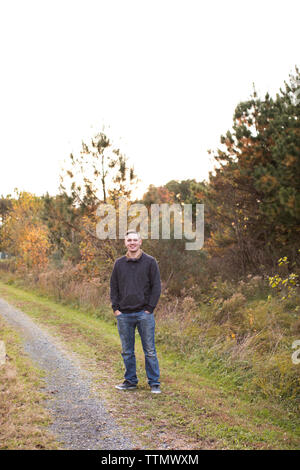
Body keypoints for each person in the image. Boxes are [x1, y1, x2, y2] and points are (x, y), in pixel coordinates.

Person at [110, 230, 161, 394]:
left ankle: (154, 383)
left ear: (140, 242)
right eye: (129, 240)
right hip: (123, 314)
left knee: (150, 351)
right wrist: (116, 309)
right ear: (125, 243)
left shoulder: (150, 262)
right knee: (127, 351)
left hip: (144, 314)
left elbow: (156, 287)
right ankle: (130, 381)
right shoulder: (119, 263)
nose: (132, 243)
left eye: (135, 240)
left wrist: (149, 309)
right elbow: (114, 287)